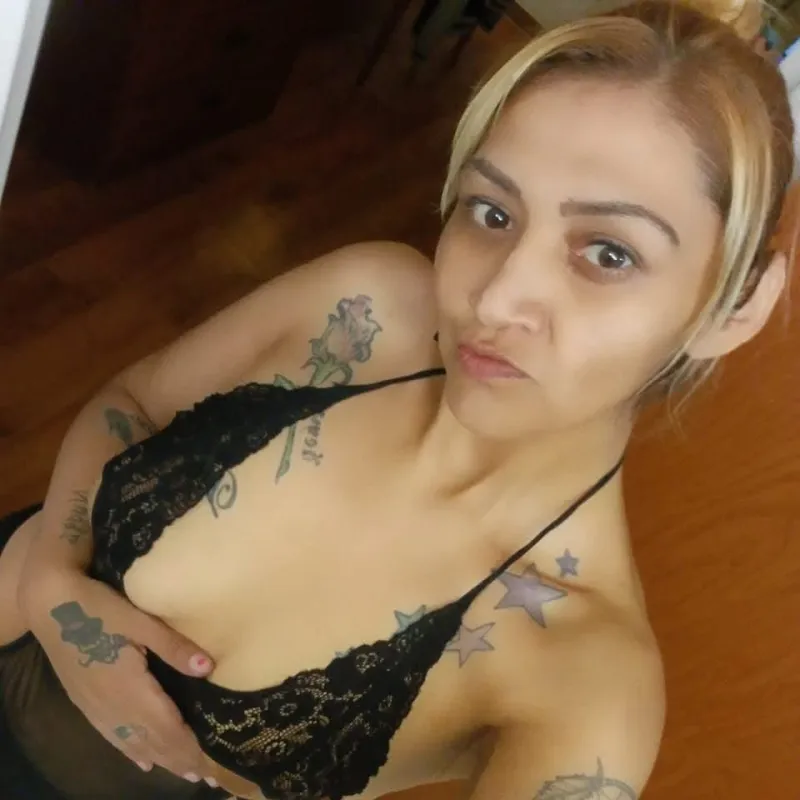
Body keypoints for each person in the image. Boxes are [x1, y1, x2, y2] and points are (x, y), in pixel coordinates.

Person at [0, 0, 793, 797]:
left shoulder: (580, 683)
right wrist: (52, 581)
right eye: (492, 212)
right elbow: (131, 402)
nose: (494, 298)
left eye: (609, 254)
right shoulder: (367, 313)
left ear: (737, 306)